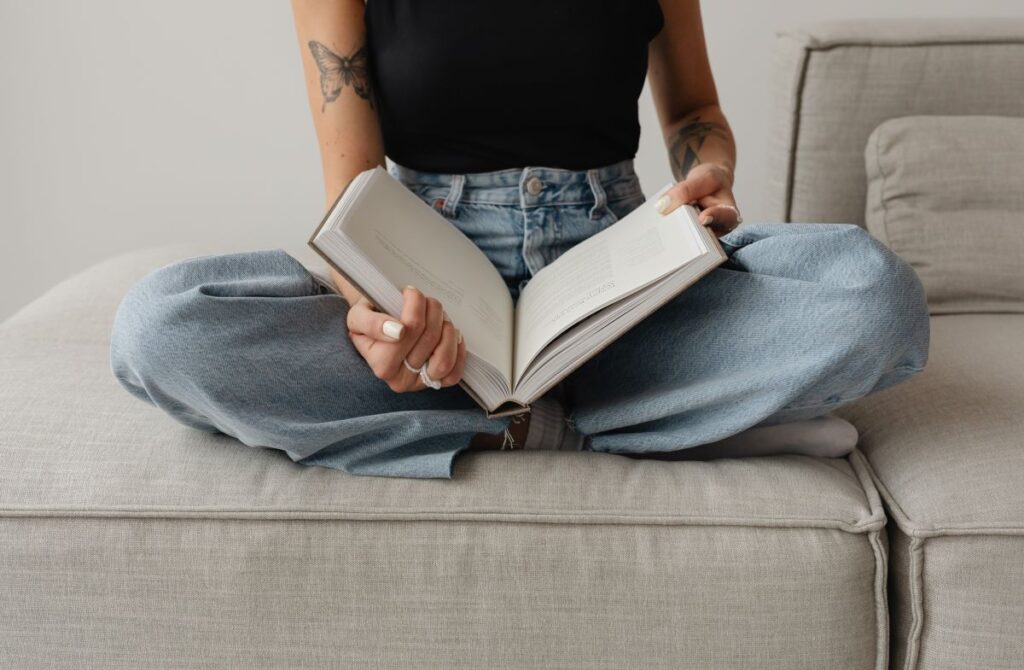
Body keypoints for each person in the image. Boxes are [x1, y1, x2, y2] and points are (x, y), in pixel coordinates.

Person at [109, 0, 930, 479]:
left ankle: (545, 409)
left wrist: (709, 172)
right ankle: (585, 420)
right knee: (161, 326)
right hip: (430, 281)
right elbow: (353, 195)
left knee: (870, 292)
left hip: (618, 274)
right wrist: (380, 321)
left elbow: (695, 116)